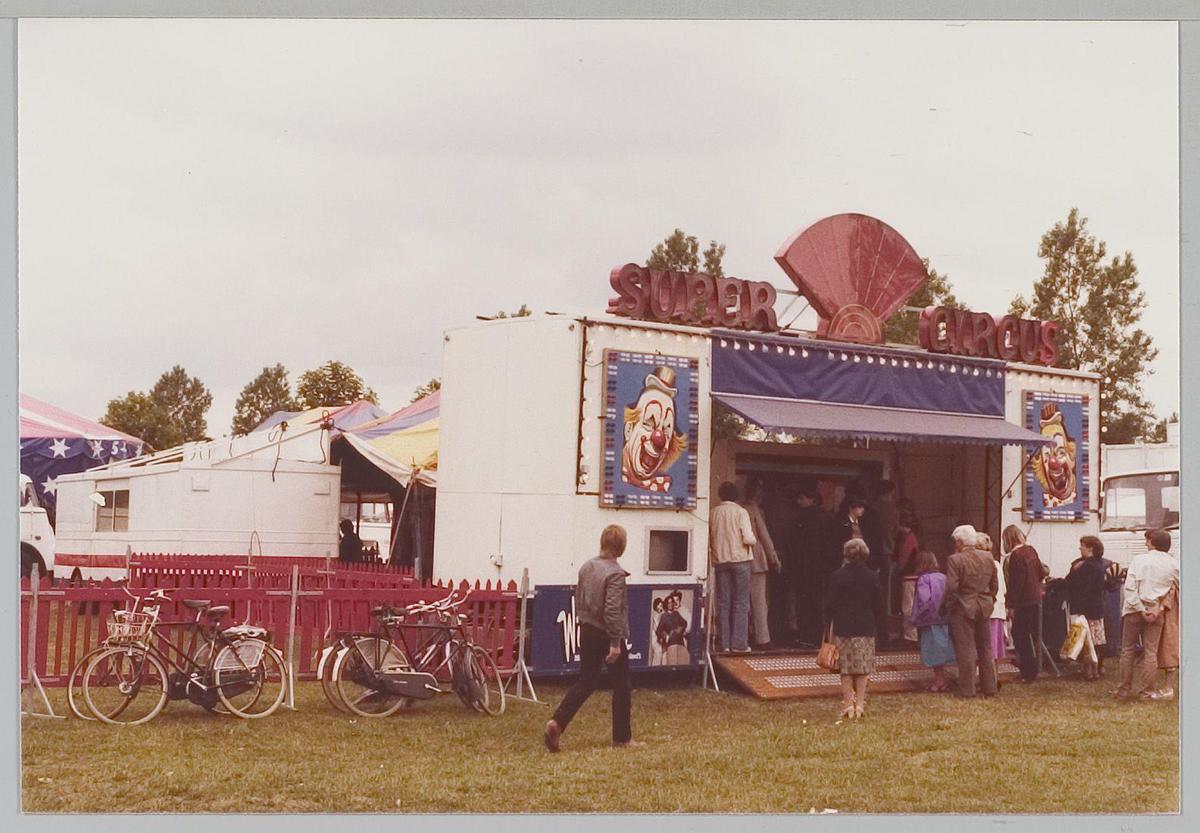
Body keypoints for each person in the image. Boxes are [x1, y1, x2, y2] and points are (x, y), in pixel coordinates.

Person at [545, 524, 637, 751]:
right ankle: (622, 738)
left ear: (602, 542)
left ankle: (558, 722)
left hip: (587, 629)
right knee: (622, 685)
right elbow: (612, 610)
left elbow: (580, 597)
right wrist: (615, 643)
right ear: (622, 547)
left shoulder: (587, 566)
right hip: (607, 633)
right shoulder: (615, 573)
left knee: (586, 682)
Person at [1115, 529, 1179, 701]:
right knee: (1151, 652)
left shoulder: (1139, 560)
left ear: (1152, 542)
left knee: (1128, 650)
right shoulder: (1173, 564)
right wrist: (1159, 607)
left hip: (1134, 610)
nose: (1145, 543)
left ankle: (1123, 690)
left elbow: (1130, 588)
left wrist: (1140, 608)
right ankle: (1146, 692)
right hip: (1156, 610)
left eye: (1147, 540)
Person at [824, 538, 884, 720]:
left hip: (843, 626)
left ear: (846, 555)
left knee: (846, 668)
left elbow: (829, 603)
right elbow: (878, 604)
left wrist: (827, 622)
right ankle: (860, 705)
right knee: (862, 668)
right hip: (865, 626)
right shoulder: (872, 576)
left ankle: (848, 705)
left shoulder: (837, 576)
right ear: (865, 554)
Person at [943, 524, 998, 698]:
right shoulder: (988, 557)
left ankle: (967, 689)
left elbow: (952, 588)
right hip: (984, 606)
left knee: (966, 649)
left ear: (960, 542)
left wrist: (948, 605)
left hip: (963, 607)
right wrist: (989, 599)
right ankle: (989, 687)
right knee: (985, 648)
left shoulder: (955, 560)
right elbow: (994, 585)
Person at [709, 481, 756, 653]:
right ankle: (739, 644)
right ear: (736, 496)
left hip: (720, 561)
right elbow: (748, 538)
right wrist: (754, 541)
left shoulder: (713, 512)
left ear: (721, 495)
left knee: (723, 602)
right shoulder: (741, 512)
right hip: (740, 560)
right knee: (741, 602)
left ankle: (725, 644)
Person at [1001, 525, 1045, 682]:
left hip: (1023, 601)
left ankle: (1028, 671)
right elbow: (1041, 572)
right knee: (1029, 635)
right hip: (1035, 598)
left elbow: (1016, 583)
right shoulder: (1030, 550)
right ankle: (1031, 668)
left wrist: (1011, 605)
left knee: (1020, 635)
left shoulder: (1015, 556)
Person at [792, 482, 833, 647]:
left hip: (802, 568)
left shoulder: (799, 518)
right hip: (821, 568)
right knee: (819, 602)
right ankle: (819, 637)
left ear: (812, 499)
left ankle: (805, 636)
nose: (798, 501)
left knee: (803, 603)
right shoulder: (827, 517)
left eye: (802, 498)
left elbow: (793, 544)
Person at [742, 481, 782, 650]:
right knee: (759, 601)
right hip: (756, 560)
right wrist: (774, 559)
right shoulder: (754, 510)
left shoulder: (739, 508)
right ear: (758, 494)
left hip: (739, 559)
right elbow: (764, 536)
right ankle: (763, 639)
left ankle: (744, 636)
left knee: (741, 601)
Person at [1065, 535, 1108, 681]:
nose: (1080, 548)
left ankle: (1089, 670)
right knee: (1097, 640)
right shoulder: (1099, 564)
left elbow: (1078, 586)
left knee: (1086, 640)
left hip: (1085, 608)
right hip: (1097, 606)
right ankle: (1098, 668)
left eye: (1082, 546)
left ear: (1090, 548)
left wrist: (1073, 571)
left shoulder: (1086, 566)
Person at [910, 550, 955, 692]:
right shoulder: (944, 577)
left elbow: (924, 600)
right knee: (942, 649)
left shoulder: (924, 579)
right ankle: (940, 680)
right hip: (944, 618)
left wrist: (916, 616)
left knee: (933, 652)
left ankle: (939, 681)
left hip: (930, 619)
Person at [976, 532, 1007, 665]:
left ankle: (988, 676)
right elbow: (1003, 588)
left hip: (987, 611)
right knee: (994, 650)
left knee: (986, 649)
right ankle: (994, 675)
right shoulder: (997, 564)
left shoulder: (981, 565)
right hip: (998, 609)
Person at [894, 510, 921, 643]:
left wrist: (897, 571)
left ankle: (910, 635)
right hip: (913, 575)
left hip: (909, 576)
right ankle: (910, 634)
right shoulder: (914, 537)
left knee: (907, 607)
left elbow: (903, 559)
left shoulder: (908, 539)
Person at [656, 592, 691, 665]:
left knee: (682, 665)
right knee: (672, 664)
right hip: (671, 644)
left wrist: (680, 629)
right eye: (668, 603)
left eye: (671, 602)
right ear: (666, 604)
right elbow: (658, 631)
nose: (670, 604)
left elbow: (684, 623)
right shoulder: (664, 616)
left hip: (680, 643)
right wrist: (666, 636)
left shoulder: (676, 613)